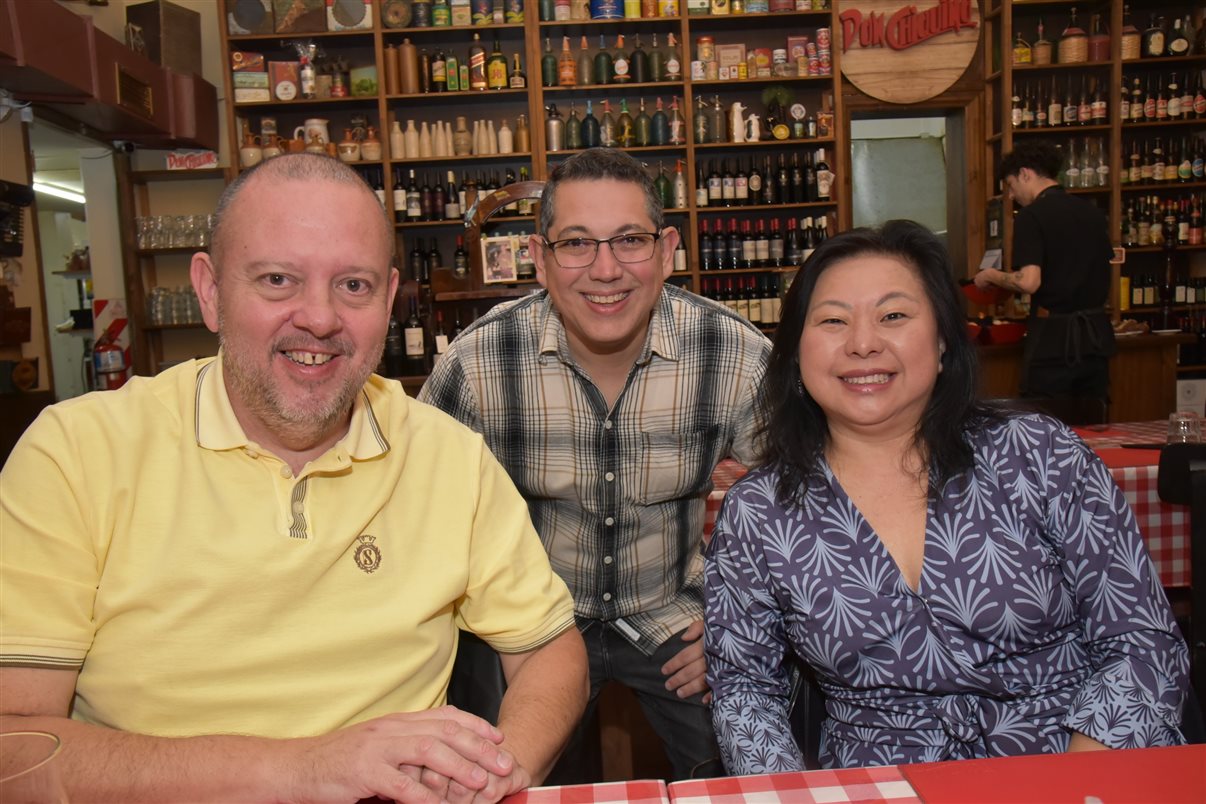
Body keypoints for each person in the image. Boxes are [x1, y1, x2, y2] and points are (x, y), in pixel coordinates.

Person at [0, 153, 588, 803]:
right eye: (278, 279)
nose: (319, 318)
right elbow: (15, 751)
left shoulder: (449, 457)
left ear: (391, 300)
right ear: (210, 291)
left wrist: (495, 775)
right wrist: (306, 769)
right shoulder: (75, 452)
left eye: (354, 286)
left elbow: (549, 653)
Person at [704, 220, 1188, 773]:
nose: (863, 343)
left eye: (894, 316)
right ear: (795, 356)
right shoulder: (760, 509)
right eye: (833, 320)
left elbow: (1142, 641)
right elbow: (745, 691)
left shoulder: (1036, 452)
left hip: (1073, 762)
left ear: (940, 343)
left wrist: (1074, 781)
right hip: (880, 780)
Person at [420, 148, 771, 782]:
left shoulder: (734, 354)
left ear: (667, 251)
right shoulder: (478, 365)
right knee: (489, 776)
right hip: (528, 628)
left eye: (630, 241)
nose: (605, 270)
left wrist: (739, 621)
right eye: (576, 243)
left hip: (676, 610)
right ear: (539, 258)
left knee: (752, 761)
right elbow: (414, 518)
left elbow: (810, 508)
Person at [973, 139, 1115, 402]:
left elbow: (1029, 282)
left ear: (1025, 174)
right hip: (1096, 337)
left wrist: (990, 276)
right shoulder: (1091, 213)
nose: (1012, 196)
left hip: (1054, 339)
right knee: (1093, 423)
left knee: (1045, 426)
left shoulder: (1031, 216)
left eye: (1011, 186)